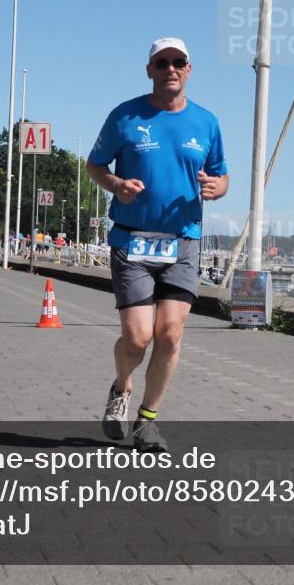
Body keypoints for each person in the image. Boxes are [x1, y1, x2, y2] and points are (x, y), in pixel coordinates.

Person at [87, 37, 228, 452]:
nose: (170, 68)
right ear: (149, 70)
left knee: (170, 335)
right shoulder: (125, 116)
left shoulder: (206, 122)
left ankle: (147, 421)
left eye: (178, 62)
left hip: (183, 242)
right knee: (137, 339)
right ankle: (121, 387)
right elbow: (96, 164)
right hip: (131, 240)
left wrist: (217, 188)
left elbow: (221, 176)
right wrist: (116, 184)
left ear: (188, 69)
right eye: (161, 62)